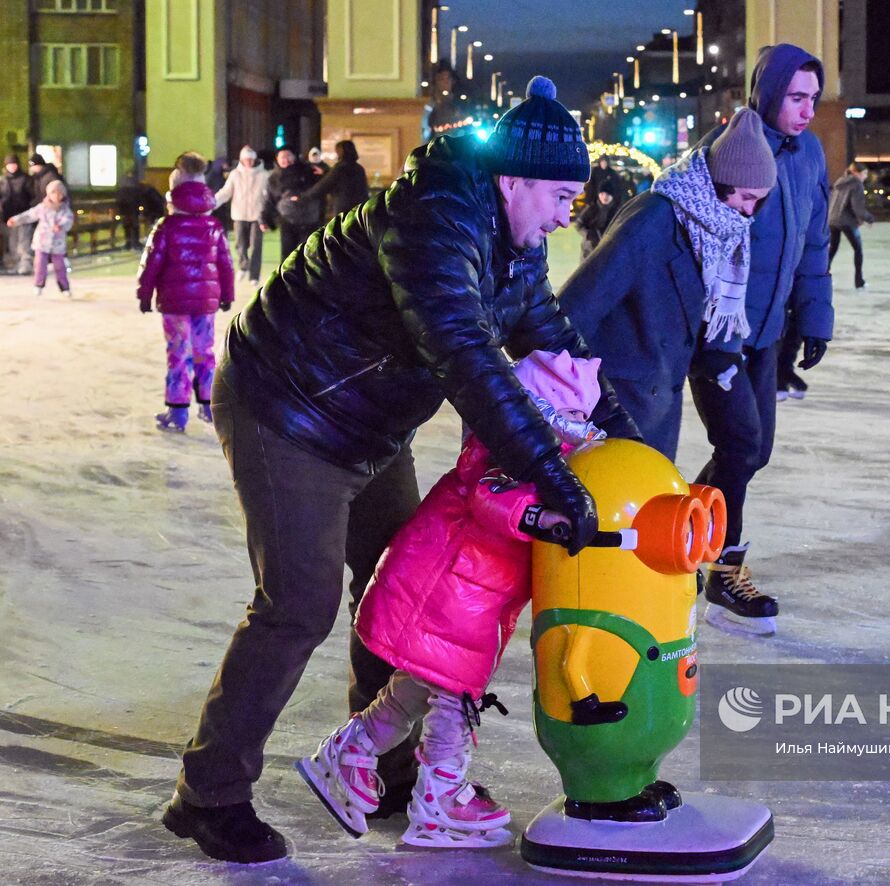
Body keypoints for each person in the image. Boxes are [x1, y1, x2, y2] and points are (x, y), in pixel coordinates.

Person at [161, 75, 638, 865]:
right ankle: (208, 792)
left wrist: (633, 452)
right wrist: (555, 481)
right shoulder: (433, 222)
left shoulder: (517, 248)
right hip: (287, 407)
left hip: (373, 423)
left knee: (405, 580)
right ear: (513, 181)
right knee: (297, 603)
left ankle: (376, 766)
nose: (568, 215)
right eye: (560, 197)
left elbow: (561, 347)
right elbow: (468, 361)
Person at [300, 349, 600, 845]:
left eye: (582, 418)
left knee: (421, 687)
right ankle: (443, 796)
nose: (578, 428)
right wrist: (545, 520)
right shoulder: (507, 450)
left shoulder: (546, 454)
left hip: (472, 598)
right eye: (570, 416)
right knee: (456, 699)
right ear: (539, 410)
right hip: (447, 590)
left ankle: (350, 750)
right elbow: (491, 499)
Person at [688, 44, 832, 635]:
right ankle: (725, 572)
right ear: (769, 94)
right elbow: (692, 236)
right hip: (719, 335)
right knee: (742, 449)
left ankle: (683, 526)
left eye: (813, 99)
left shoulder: (810, 154)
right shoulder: (727, 150)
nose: (806, 111)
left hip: (767, 334)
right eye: (796, 97)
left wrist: (815, 318)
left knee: (753, 452)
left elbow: (815, 241)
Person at [559, 107, 776, 460]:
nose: (751, 212)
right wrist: (572, 398)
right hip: (618, 405)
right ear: (721, 181)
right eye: (748, 198)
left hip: (658, 404)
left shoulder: (718, 229)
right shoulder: (653, 220)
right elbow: (576, 307)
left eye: (761, 200)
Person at [136, 154, 236, 433]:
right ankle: (208, 406)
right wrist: (226, 294)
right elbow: (225, 264)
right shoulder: (213, 226)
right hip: (206, 302)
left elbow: (151, 263)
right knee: (205, 352)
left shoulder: (166, 226)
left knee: (179, 353)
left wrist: (144, 294)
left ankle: (177, 413)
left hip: (174, 302)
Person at [7, 179, 74, 297]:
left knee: (60, 267)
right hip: (42, 242)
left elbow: (68, 221)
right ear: (49, 194)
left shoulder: (65, 210)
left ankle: (64, 287)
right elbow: (28, 215)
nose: (57, 196)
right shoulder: (42, 207)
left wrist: (61, 226)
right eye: (54, 193)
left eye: (60, 193)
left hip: (57, 244)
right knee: (40, 265)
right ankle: (38, 285)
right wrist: (15, 220)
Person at [213, 146, 270, 283]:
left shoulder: (264, 175)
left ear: (255, 159)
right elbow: (226, 192)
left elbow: (268, 197)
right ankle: (244, 266)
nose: (249, 162)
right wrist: (212, 202)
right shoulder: (235, 174)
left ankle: (254, 275)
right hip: (239, 214)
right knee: (240, 244)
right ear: (241, 160)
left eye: (251, 159)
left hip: (257, 215)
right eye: (246, 159)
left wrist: (268, 214)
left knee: (256, 245)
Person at [260, 147, 322, 260]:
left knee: (308, 256)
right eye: (282, 157)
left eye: (288, 156)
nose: (286, 159)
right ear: (277, 160)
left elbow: (322, 187)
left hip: (308, 220)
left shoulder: (308, 170)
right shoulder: (274, 178)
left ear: (294, 156)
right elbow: (270, 200)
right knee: (288, 256)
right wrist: (265, 219)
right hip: (287, 221)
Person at [827, 162, 875, 289]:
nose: (865, 177)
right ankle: (859, 281)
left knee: (832, 249)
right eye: (864, 173)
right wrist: (869, 218)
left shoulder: (840, 181)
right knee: (858, 249)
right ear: (856, 173)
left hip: (832, 219)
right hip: (846, 221)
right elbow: (857, 207)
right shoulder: (856, 184)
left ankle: (822, 276)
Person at [298, 140, 370, 219]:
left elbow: (323, 186)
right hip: (360, 208)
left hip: (344, 208)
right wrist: (325, 172)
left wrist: (302, 197)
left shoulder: (340, 167)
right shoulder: (359, 168)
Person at [1, 153, 34, 274]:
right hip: (8, 215)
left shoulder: (25, 179)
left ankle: (25, 265)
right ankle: (15, 264)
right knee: (12, 242)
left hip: (24, 214)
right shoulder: (3, 180)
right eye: (10, 164)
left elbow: (32, 195)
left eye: (14, 164)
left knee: (24, 241)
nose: (12, 167)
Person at [115, 169, 163, 251]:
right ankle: (134, 243)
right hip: (133, 209)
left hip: (128, 209)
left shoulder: (124, 187)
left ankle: (129, 243)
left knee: (128, 225)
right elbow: (142, 200)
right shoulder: (139, 188)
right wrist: (143, 210)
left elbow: (119, 200)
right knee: (133, 225)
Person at [574, 188, 620, 261]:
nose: (605, 197)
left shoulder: (617, 211)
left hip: (608, 249)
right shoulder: (591, 208)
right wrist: (588, 234)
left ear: (612, 196)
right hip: (589, 249)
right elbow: (578, 225)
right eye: (602, 194)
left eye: (608, 194)